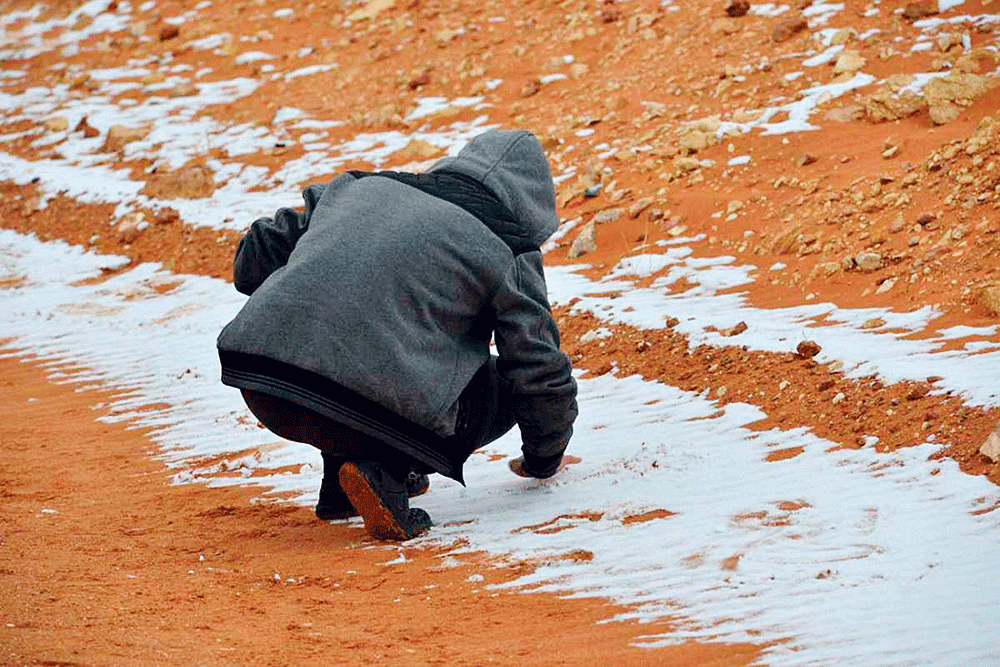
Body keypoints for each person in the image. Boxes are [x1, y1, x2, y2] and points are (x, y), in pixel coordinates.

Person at [216, 129, 578, 540]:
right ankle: (382, 470)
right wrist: (544, 459)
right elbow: (538, 373)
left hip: (262, 385)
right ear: (531, 210)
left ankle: (341, 483)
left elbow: (255, 253)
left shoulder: (357, 187)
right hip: (357, 402)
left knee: (352, 344)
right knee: (500, 386)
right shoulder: (507, 246)